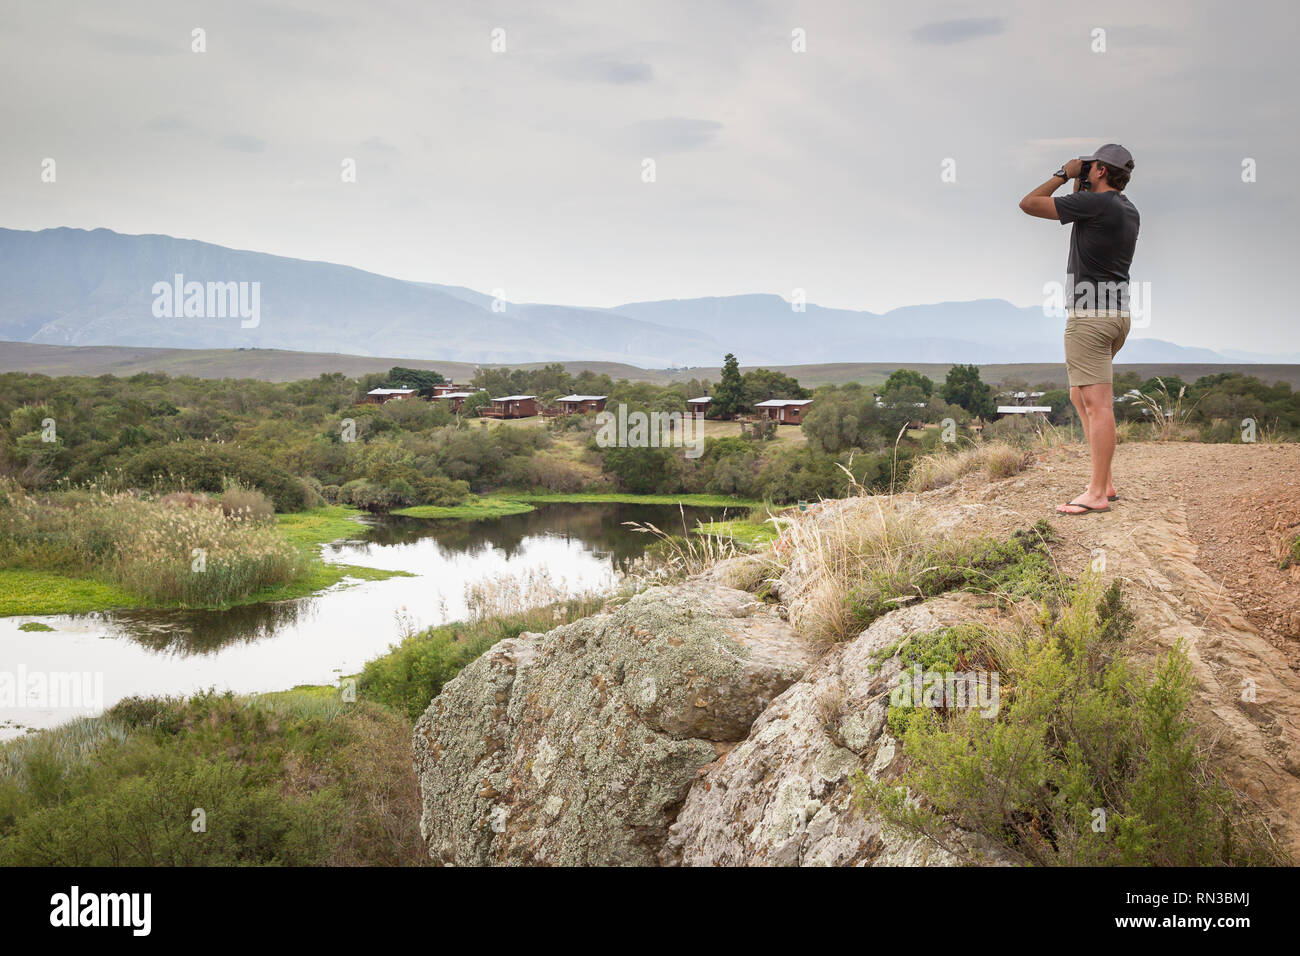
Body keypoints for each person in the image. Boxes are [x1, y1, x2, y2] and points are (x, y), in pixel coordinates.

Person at [1019, 143, 1139, 515]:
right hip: (1117, 316)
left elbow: (1029, 203)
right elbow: (1079, 213)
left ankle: (1098, 493)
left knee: (1097, 403)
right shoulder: (1126, 209)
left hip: (1090, 317)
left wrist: (1064, 172)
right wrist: (1082, 182)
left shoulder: (1096, 204)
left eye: (1091, 166)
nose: (1083, 170)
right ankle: (1105, 481)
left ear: (1101, 170)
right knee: (1080, 396)